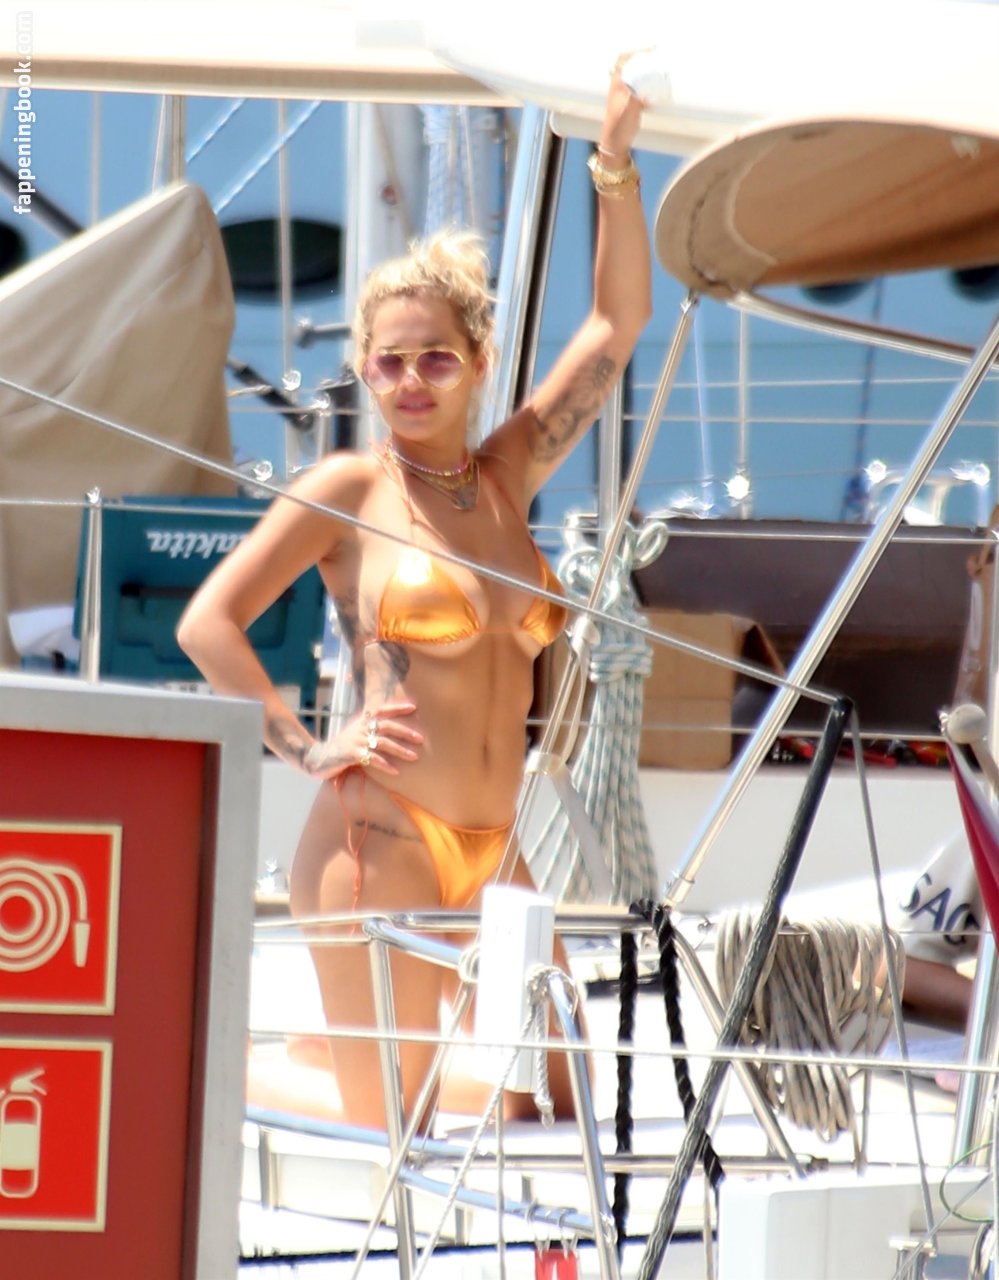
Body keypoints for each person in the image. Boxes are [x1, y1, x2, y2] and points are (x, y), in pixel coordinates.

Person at [177, 59, 652, 1129]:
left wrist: (613, 166)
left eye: (435, 359)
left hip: (497, 851)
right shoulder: (347, 489)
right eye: (389, 363)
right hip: (377, 842)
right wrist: (309, 748)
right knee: (398, 1134)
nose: (409, 382)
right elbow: (209, 622)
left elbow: (616, 325)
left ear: (477, 360)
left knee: (565, 1106)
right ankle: (237, 1072)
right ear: (363, 366)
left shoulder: (509, 473)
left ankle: (303, 1056)